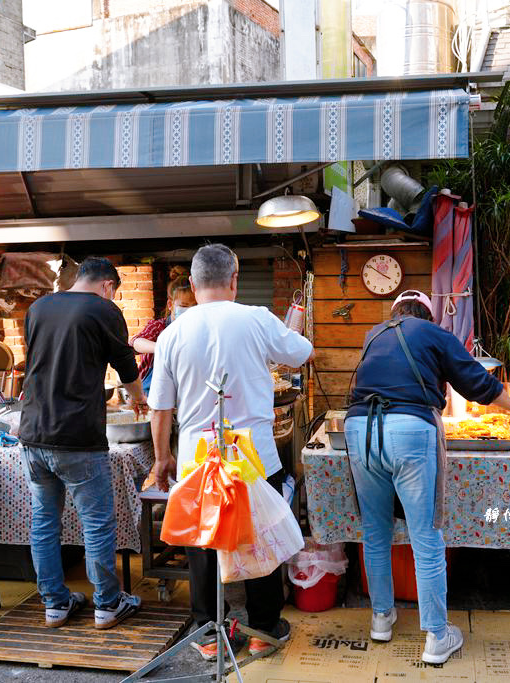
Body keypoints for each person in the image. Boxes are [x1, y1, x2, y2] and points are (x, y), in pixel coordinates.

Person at [344, 290, 510, 665]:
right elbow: (480, 384)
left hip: (359, 430)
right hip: (410, 431)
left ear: (395, 312)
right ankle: (436, 635)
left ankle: (381, 619)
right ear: (428, 317)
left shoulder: (373, 335)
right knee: (426, 538)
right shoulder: (433, 334)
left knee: (376, 532)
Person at [148, 244, 313, 661]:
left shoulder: (172, 334)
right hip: (253, 458)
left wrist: (161, 458)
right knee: (259, 539)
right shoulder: (256, 319)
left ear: (191, 284)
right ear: (235, 280)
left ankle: (208, 633)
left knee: (202, 544)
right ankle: (262, 630)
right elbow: (301, 353)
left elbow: (160, 407)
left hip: (195, 459)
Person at [20, 256, 149, 631]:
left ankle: (55, 605)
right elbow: (127, 366)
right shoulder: (104, 310)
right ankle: (108, 605)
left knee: (44, 522)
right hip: (77, 436)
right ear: (108, 286)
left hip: (32, 432)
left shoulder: (39, 307)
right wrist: (138, 398)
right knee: (96, 523)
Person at [131, 276, 196, 395]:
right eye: (184, 306)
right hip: (150, 392)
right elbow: (135, 342)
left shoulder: (197, 330)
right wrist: (162, 347)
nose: (190, 311)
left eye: (194, 306)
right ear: (170, 304)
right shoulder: (158, 327)